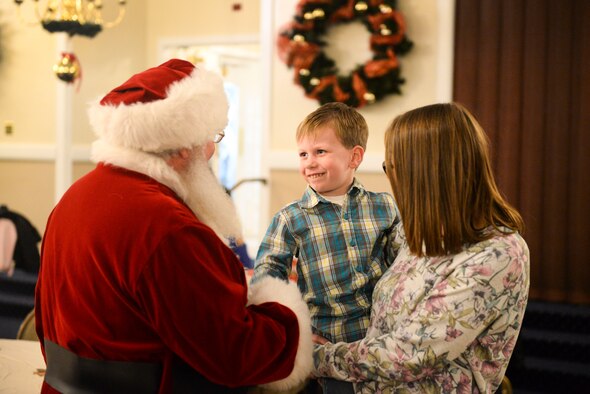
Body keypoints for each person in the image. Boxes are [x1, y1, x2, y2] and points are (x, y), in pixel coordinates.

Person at [35, 59, 313, 393]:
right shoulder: (168, 228)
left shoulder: (75, 196)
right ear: (182, 147)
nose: (212, 149)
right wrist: (285, 313)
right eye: (210, 137)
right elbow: (234, 354)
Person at [312, 102, 530, 393]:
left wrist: (315, 358)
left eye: (392, 168)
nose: (391, 178)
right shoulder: (421, 234)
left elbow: (407, 356)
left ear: (424, 174)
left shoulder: (497, 254)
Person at [252, 102, 399, 392]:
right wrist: (295, 333)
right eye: (303, 154)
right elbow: (267, 279)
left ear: (355, 156)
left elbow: (404, 267)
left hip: (382, 341)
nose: (310, 162)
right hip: (328, 344)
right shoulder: (291, 218)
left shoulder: (384, 206)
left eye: (320, 152)